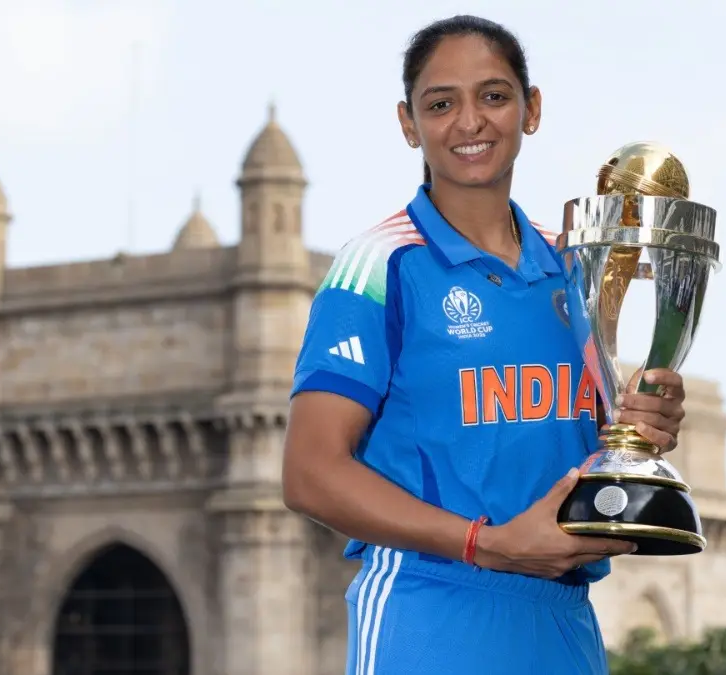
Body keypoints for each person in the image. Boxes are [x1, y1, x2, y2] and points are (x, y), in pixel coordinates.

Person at [282, 14, 688, 675]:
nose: (469, 121)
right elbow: (308, 472)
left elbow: (578, 444)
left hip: (562, 620)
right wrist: (486, 544)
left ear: (531, 110)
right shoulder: (379, 265)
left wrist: (641, 428)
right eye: (441, 103)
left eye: (494, 95)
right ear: (409, 123)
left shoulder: (576, 268)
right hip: (431, 608)